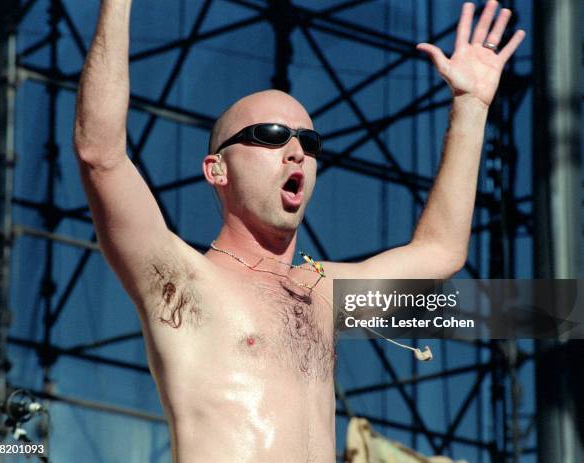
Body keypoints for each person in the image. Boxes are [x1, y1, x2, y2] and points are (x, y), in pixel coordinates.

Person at [73, 1, 525, 461]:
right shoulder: (183, 280)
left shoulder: (323, 292)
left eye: (308, 142)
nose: (295, 151)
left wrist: (470, 104)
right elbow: (100, 155)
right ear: (217, 170)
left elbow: (440, 252)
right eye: (269, 135)